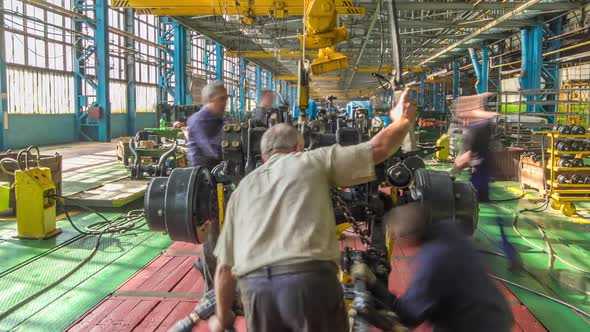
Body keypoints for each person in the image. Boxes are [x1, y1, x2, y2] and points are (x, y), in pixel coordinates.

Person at [208, 89, 417, 332]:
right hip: (309, 282)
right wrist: (402, 119)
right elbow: (379, 149)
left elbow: (224, 268)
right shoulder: (313, 160)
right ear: (299, 146)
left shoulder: (242, 189)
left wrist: (222, 317)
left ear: (263, 156)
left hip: (257, 292)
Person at [352, 202, 514, 332]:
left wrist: (373, 282)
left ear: (405, 236)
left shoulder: (433, 263)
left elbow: (408, 316)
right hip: (498, 313)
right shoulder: (451, 230)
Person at [186, 80, 227, 291]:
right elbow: (214, 150)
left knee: (224, 230)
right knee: (213, 236)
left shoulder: (220, 119)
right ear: (210, 99)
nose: (225, 103)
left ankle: (205, 265)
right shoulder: (199, 121)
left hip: (219, 181)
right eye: (222, 99)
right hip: (204, 188)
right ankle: (212, 292)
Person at [450, 93, 496, 202]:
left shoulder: (476, 127)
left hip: (479, 173)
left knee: (478, 199)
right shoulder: (481, 125)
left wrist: (453, 170)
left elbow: (467, 155)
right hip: (481, 170)